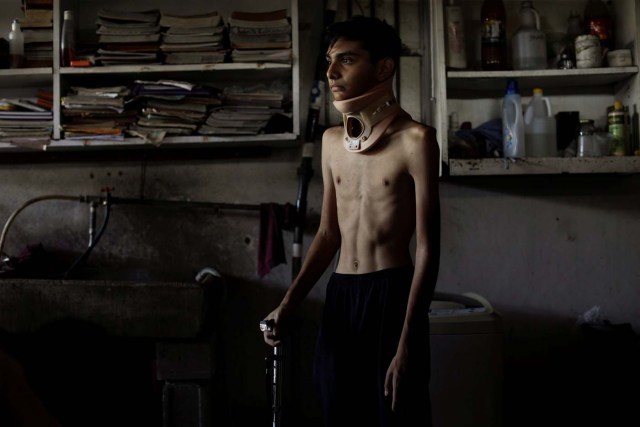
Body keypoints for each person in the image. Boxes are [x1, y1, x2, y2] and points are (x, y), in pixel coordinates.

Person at [262, 15, 440, 427]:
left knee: (396, 415)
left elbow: (429, 247)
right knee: (337, 412)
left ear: (383, 68)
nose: (331, 73)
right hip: (341, 296)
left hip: (391, 297)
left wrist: (408, 342)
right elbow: (327, 234)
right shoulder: (329, 142)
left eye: (346, 60)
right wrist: (287, 305)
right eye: (329, 61)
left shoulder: (417, 140)